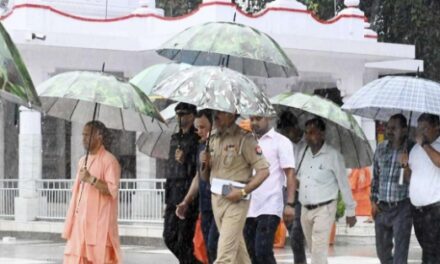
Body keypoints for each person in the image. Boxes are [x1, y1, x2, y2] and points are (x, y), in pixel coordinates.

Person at [200, 110, 270, 264]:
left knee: (224, 254)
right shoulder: (212, 139)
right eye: (215, 112)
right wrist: (204, 163)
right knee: (237, 250)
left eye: (221, 112)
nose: (216, 116)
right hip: (216, 198)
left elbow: (264, 171)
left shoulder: (245, 139)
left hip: (236, 200)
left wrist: (243, 192)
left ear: (232, 114)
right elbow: (205, 177)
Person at [298, 117, 357, 264]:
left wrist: (351, 211)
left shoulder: (333, 155)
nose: (308, 136)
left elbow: (344, 184)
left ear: (322, 134)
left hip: (325, 209)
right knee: (315, 252)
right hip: (305, 209)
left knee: (318, 252)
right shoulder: (302, 153)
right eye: (306, 133)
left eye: (312, 132)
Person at [62, 121, 121, 264]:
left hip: (99, 227)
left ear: (99, 136)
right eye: (83, 135)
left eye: (87, 135)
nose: (83, 139)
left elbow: (111, 190)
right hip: (80, 224)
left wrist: (91, 179)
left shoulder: (109, 161)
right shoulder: (83, 161)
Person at [243, 115, 297, 264]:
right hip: (248, 205)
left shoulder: (281, 142)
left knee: (263, 251)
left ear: (268, 118)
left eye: (258, 118)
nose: (254, 123)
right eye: (251, 119)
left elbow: (290, 173)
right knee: (251, 253)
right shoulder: (246, 141)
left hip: (270, 205)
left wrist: (290, 204)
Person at [176, 109, 219, 263]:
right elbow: (198, 176)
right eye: (197, 128)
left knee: (215, 245)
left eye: (203, 127)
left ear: (213, 124)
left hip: (220, 204)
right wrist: (186, 201)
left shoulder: (220, 144)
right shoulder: (201, 147)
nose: (199, 131)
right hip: (205, 205)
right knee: (208, 247)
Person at [371, 114, 413, 264]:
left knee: (400, 255)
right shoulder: (381, 149)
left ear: (404, 130)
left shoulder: (411, 149)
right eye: (388, 127)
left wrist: (406, 165)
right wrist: (373, 201)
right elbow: (375, 176)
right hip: (382, 208)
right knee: (382, 251)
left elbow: (415, 180)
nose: (389, 131)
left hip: (402, 207)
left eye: (393, 128)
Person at [163, 102, 200, 264]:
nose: (180, 117)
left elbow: (199, 170)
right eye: (178, 114)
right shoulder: (174, 138)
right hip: (173, 194)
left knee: (184, 239)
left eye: (183, 114)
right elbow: (170, 169)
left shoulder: (197, 139)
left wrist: (186, 160)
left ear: (192, 115)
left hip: (188, 195)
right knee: (169, 237)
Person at [402, 113, 440, 264]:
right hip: (418, 210)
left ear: (437, 127)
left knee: (432, 253)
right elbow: (409, 179)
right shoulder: (415, 149)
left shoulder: (429, 146)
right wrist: (405, 166)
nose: (420, 132)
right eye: (419, 128)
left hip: (435, 210)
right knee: (427, 250)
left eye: (424, 128)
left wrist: (425, 144)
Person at [277, 111, 307, 264]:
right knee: (292, 230)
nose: (287, 136)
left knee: (296, 233)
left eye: (288, 132)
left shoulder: (307, 144)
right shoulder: (283, 144)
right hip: (285, 190)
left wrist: (300, 180)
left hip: (302, 194)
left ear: (295, 127)